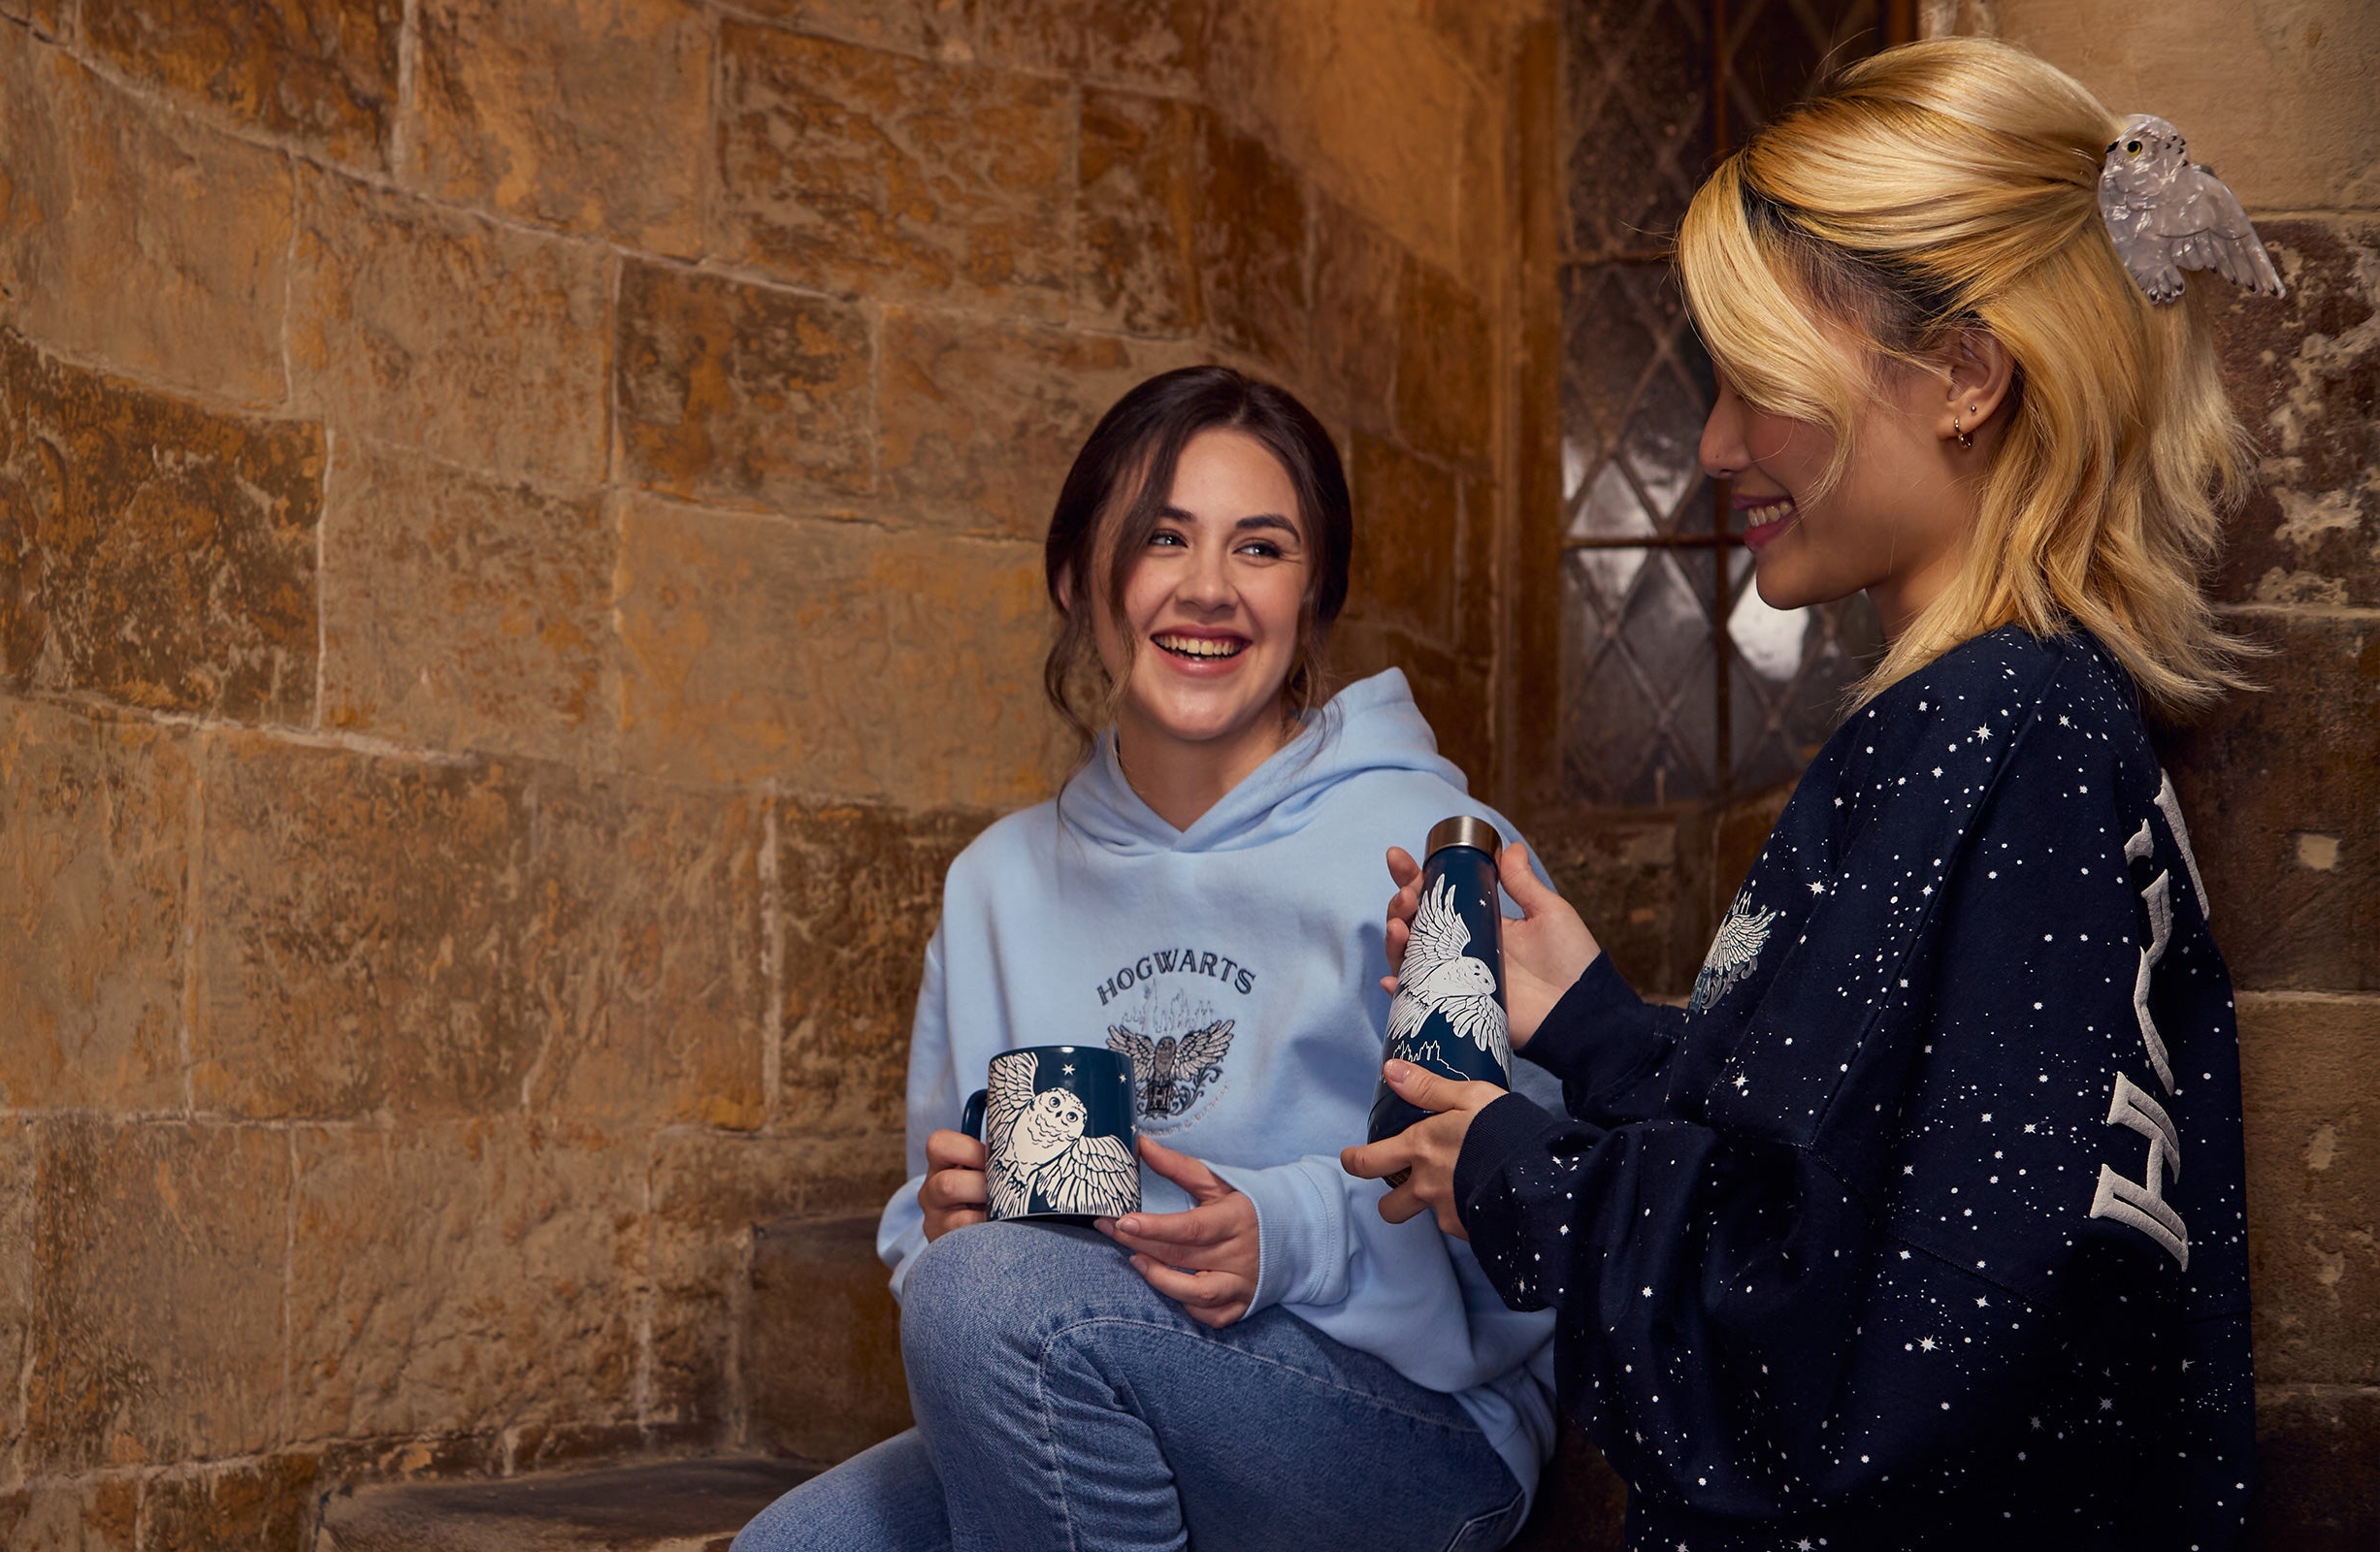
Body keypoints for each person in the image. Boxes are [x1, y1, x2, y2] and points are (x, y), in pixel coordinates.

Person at [1342, 38, 2266, 1549]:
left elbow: (1860, 1348)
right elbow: (1866, 1156)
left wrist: (1513, 1173)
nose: (1715, 445)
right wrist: (1595, 1028)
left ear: (1964, 375)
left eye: (1758, 382)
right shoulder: (2038, 718)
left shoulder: (1987, 731)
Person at [736, 366, 1562, 1552]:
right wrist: (951, 1225)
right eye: (1163, 537)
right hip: (1077, 1368)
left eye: (1261, 548)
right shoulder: (996, 883)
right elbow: (937, 1246)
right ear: (1079, 578)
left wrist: (1280, 1236)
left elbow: (1536, 1213)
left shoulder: (1435, 849)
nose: (1209, 588)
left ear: (1313, 597)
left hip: (1405, 1420)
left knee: (997, 1300)